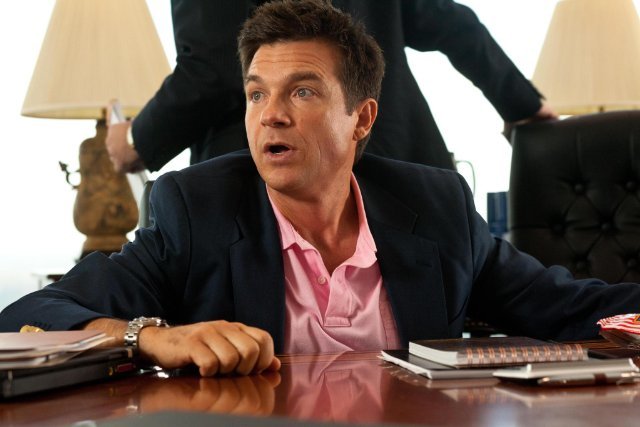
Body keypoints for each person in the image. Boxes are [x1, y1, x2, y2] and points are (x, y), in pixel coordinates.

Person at [0, 0, 632, 378]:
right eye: (256, 95)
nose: (270, 116)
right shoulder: (195, 211)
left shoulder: (436, 208)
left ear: (361, 118)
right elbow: (34, 315)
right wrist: (151, 336)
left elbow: (568, 306)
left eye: (301, 92)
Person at [106, 0, 556, 174]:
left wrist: (135, 141)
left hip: (264, 194)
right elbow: (452, 23)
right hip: (403, 165)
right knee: (418, 346)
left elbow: (212, 69)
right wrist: (522, 105)